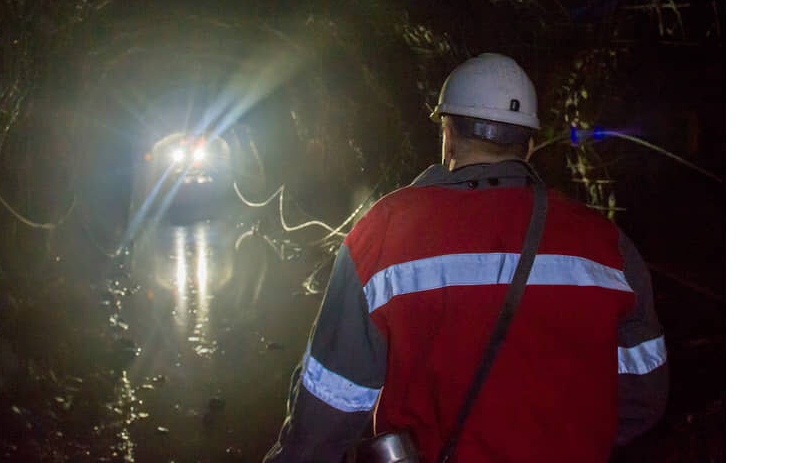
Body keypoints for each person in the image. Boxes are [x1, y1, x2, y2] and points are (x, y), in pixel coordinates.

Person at [263, 53, 668, 462]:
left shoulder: (385, 234)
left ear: (448, 134)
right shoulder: (607, 245)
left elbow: (331, 404)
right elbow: (644, 396)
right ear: (528, 144)